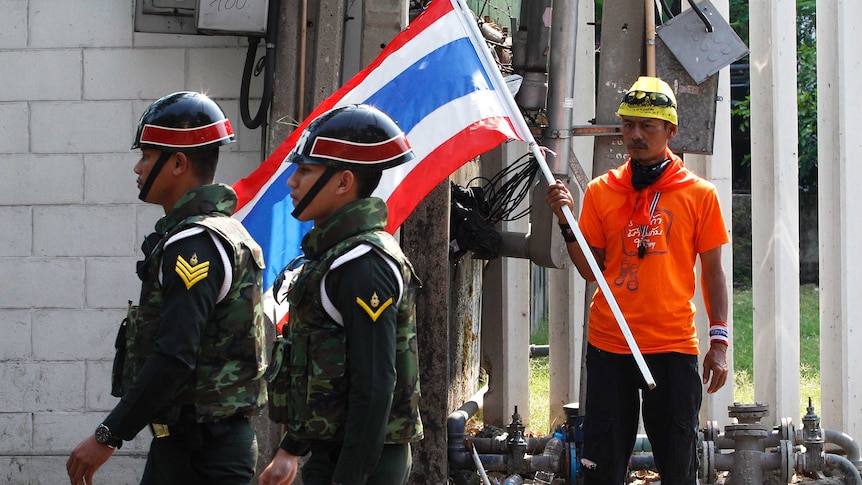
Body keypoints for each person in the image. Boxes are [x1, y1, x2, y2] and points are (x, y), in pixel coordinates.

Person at [66, 91, 268, 485]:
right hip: (187, 446)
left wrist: (109, 435)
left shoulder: (194, 244)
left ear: (178, 163)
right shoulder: (214, 234)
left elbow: (175, 354)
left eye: (146, 155)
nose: (137, 169)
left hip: (203, 455)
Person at [545, 76, 730, 484]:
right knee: (603, 465)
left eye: (648, 125)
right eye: (628, 124)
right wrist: (565, 221)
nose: (636, 134)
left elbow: (714, 272)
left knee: (678, 465)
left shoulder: (699, 194)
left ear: (671, 131)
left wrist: (719, 342)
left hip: (672, 344)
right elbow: (589, 271)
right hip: (611, 343)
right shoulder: (601, 190)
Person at [258, 104, 424, 485]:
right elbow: (328, 373)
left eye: (305, 171)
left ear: (343, 182)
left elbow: (374, 384)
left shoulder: (364, 263)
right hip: (333, 452)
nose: (292, 182)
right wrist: (291, 450)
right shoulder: (334, 255)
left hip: (365, 461)